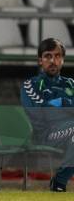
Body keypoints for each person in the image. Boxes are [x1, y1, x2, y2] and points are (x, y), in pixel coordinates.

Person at [21, 37, 74, 192]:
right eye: (48, 56)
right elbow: (42, 114)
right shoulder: (30, 85)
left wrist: (60, 103)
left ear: (63, 60)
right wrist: (67, 105)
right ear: (40, 60)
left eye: (57, 56)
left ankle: (58, 183)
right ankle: (60, 181)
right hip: (45, 135)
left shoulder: (70, 84)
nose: (53, 60)